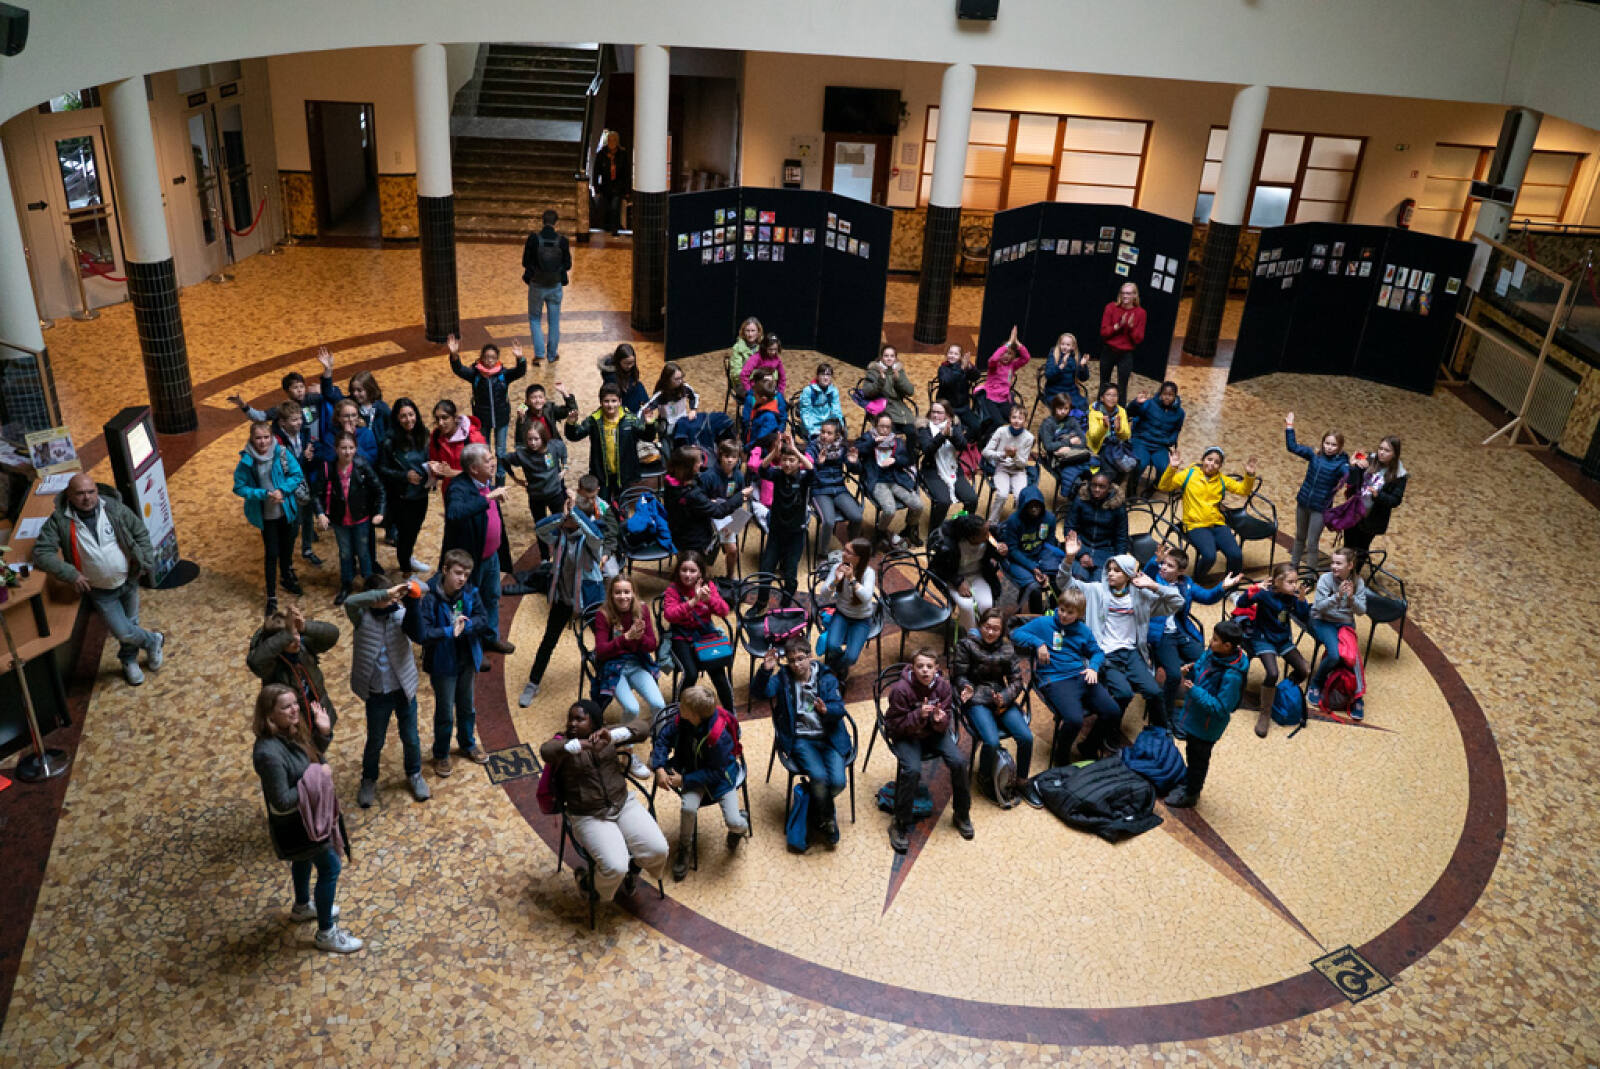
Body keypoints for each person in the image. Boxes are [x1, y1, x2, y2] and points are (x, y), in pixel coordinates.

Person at [250, 684, 362, 953]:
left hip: (309, 820)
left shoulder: (290, 731)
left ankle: (302, 906)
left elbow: (310, 758)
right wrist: (317, 778)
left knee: (302, 861)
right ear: (269, 715)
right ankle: (326, 934)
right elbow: (282, 799)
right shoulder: (267, 754)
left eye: (295, 704)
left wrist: (323, 733)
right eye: (286, 707)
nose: (294, 710)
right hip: (300, 826)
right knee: (330, 868)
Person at [33, 474, 164, 686]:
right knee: (122, 631)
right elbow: (41, 552)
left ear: (97, 490)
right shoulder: (59, 520)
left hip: (129, 580)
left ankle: (129, 660)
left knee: (131, 624)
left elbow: (140, 532)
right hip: (100, 590)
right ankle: (153, 640)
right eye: (80, 493)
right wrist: (70, 574)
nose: (87, 498)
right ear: (69, 495)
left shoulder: (114, 509)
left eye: (91, 491)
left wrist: (145, 561)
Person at [540, 700, 668, 903]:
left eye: (579, 719)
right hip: (589, 815)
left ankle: (633, 871)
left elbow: (643, 728)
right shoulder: (563, 746)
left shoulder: (606, 733)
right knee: (615, 867)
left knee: (658, 850)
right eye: (570, 719)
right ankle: (588, 885)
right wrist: (581, 745)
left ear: (594, 722)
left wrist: (613, 736)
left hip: (623, 804)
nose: (572, 723)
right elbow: (546, 751)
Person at [1057, 538, 1182, 729]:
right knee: (1123, 694)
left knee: (1154, 692)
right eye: (1109, 569)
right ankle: (1106, 734)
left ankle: (1160, 735)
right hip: (1106, 654)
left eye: (1117, 571)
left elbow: (1177, 602)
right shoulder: (1096, 591)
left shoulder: (1141, 596)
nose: (1110, 573)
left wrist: (1154, 586)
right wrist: (1069, 558)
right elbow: (1064, 583)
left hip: (1131, 653)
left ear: (1128, 575)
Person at [754, 637, 851, 846]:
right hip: (801, 739)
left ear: (810, 656)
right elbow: (760, 693)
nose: (796, 664)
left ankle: (812, 801)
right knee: (819, 777)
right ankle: (827, 819)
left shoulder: (826, 678)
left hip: (829, 737)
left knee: (838, 782)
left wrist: (827, 711)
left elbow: (840, 709)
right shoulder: (783, 678)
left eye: (800, 658)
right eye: (791, 661)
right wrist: (765, 670)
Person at [1011, 587, 1123, 763]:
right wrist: (1038, 643)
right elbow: (1015, 633)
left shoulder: (1083, 630)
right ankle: (1061, 756)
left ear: (1079, 614)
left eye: (1070, 613)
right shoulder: (1044, 623)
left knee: (1113, 711)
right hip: (1054, 678)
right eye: (1062, 609)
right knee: (1074, 720)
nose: (1063, 615)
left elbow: (1097, 652)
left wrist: (1093, 667)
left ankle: (1089, 746)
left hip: (1080, 674)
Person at [650, 685, 749, 880]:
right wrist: (659, 766)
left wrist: (684, 780)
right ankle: (684, 849)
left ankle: (740, 827)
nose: (678, 707)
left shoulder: (718, 736)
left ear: (695, 715)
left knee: (733, 821)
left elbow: (717, 772)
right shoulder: (682, 719)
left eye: (683, 706)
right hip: (691, 770)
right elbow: (663, 738)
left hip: (719, 778)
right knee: (688, 808)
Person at [345, 577, 429, 807]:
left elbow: (426, 588)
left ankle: (414, 774)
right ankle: (368, 779)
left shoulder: (401, 614)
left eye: (390, 596)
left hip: (403, 690)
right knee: (375, 740)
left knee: (411, 738)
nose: (389, 601)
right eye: (383, 597)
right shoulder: (360, 616)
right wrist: (384, 594)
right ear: (372, 598)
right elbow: (350, 601)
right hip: (377, 693)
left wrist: (407, 588)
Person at [884, 650, 972, 853]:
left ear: (936, 669)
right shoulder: (900, 689)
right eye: (920, 666)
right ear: (913, 668)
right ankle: (899, 823)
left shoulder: (943, 687)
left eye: (929, 667)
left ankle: (961, 814)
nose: (925, 670)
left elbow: (946, 719)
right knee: (912, 770)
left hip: (933, 733)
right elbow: (894, 726)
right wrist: (918, 715)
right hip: (907, 735)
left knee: (959, 762)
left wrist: (939, 720)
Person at [522, 496, 608, 706]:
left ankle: (611, 678)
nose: (566, 519)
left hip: (589, 598)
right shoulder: (560, 535)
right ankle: (533, 683)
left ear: (581, 520)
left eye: (571, 517)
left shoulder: (591, 539)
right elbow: (540, 529)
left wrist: (576, 515)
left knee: (604, 640)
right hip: (564, 598)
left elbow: (596, 536)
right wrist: (563, 516)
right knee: (548, 641)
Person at [415, 549, 492, 776]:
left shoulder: (470, 592)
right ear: (445, 570)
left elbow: (483, 619)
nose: (462, 579)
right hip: (442, 665)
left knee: (467, 707)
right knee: (445, 712)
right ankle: (441, 753)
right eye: (458, 573)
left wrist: (466, 626)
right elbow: (424, 633)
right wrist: (450, 631)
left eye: (466, 575)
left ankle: (467, 743)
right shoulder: (430, 598)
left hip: (466, 660)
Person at [953, 608, 1039, 806]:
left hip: (1000, 698)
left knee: (1026, 737)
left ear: (1001, 631)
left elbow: (1017, 680)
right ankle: (984, 778)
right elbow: (959, 675)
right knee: (991, 741)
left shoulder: (1008, 648)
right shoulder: (966, 645)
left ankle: (1022, 780)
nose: (990, 632)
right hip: (976, 698)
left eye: (995, 629)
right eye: (987, 627)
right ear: (980, 625)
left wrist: (1005, 697)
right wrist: (966, 687)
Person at [1143, 545, 1235, 722]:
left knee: (1205, 660)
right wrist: (1156, 561)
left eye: (1170, 566)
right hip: (1161, 635)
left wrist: (1222, 587)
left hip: (1180, 631)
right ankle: (1165, 715)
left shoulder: (1186, 583)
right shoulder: (1154, 579)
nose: (1164, 567)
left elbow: (1207, 597)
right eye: (1164, 563)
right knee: (1173, 674)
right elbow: (1146, 575)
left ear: (1181, 572)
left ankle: (1195, 698)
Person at [1163, 619, 1250, 809]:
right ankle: (1189, 783)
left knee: (1199, 761)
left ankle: (1191, 794)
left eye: (1216, 640)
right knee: (1192, 754)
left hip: (1207, 727)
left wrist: (1195, 691)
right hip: (1195, 718)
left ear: (1227, 646)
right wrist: (1190, 670)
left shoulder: (1232, 675)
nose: (1211, 642)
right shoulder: (1213, 653)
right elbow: (1201, 666)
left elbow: (1221, 708)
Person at [439, 442, 515, 656]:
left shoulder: (485, 481)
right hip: (470, 561)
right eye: (488, 460)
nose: (493, 463)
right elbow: (454, 513)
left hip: (491, 556)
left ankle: (490, 638)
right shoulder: (458, 487)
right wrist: (488, 498)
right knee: (467, 605)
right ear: (473, 468)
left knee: (491, 598)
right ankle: (472, 651)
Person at [233, 418, 307, 615]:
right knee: (272, 553)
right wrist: (263, 494)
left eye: (266, 437)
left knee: (288, 547)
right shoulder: (247, 461)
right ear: (252, 439)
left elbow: (297, 475)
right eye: (258, 438)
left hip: (286, 511)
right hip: (267, 516)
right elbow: (239, 487)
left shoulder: (281, 453)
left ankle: (286, 576)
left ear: (272, 437)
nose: (263, 442)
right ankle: (271, 596)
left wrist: (282, 491)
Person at [1231, 562, 1311, 737]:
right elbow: (1242, 603)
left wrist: (1301, 599)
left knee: (1304, 669)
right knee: (1273, 673)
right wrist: (1254, 589)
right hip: (1263, 639)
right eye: (1290, 582)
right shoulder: (1265, 594)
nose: (1294, 585)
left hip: (1283, 640)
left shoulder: (1292, 596)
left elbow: (1304, 616)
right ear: (1277, 581)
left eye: (1295, 581)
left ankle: (1279, 691)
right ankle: (1265, 713)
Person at [246, 605, 339, 752]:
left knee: (318, 754)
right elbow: (255, 662)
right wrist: (286, 634)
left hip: (318, 718)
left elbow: (333, 634)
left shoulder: (304, 647)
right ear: (278, 643)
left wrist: (305, 627)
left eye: (297, 634)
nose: (297, 640)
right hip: (293, 726)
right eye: (289, 639)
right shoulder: (271, 665)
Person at [1156, 447, 1259, 580]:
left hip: (1217, 524)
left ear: (1220, 466)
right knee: (1209, 556)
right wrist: (1172, 468)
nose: (1212, 464)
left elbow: (1243, 490)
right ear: (1203, 459)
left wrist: (1249, 475)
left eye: (1216, 462)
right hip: (1195, 525)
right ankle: (1195, 581)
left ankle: (1231, 584)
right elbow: (1164, 486)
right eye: (1209, 459)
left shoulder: (1222, 479)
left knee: (1236, 555)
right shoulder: (1189, 474)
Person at [313, 431, 385, 606]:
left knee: (364, 552)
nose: (347, 452)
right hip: (340, 520)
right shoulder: (328, 468)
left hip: (361, 518)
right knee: (345, 553)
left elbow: (380, 490)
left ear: (356, 448)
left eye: (351, 448)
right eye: (343, 448)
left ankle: (369, 583)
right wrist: (321, 513)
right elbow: (315, 494)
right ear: (336, 449)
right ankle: (346, 583)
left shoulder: (362, 465)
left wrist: (380, 512)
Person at [661, 552, 737, 712]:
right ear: (678, 571)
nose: (688, 575)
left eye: (692, 571)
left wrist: (709, 600)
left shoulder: (708, 586)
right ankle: (677, 711)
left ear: (700, 573)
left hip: (704, 635)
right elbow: (670, 615)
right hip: (681, 637)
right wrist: (693, 602)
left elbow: (724, 610)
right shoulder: (673, 590)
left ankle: (732, 716)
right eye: (684, 570)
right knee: (691, 674)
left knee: (719, 676)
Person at [591, 574, 667, 728]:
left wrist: (639, 637)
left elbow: (652, 645)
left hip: (637, 663)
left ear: (633, 593)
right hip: (613, 666)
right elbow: (601, 651)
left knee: (659, 705)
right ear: (611, 595)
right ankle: (625, 740)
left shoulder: (642, 609)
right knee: (632, 709)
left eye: (627, 592)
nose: (623, 597)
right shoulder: (603, 614)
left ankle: (660, 738)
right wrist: (625, 638)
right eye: (618, 592)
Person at [1283, 412, 1350, 576]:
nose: (1329, 447)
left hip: (1320, 509)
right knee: (1299, 537)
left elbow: (1350, 477)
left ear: (1339, 447)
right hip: (1303, 502)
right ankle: (1293, 566)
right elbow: (1293, 447)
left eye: (1333, 445)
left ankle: (1310, 574)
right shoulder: (1315, 455)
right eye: (1327, 443)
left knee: (1312, 543)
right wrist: (1289, 427)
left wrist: (1354, 466)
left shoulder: (1341, 464)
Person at [753, 431, 815, 610]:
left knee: (790, 574)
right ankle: (761, 602)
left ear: (798, 462)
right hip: (776, 532)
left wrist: (795, 450)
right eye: (784, 460)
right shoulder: (777, 474)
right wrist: (775, 452)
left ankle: (786, 603)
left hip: (796, 534)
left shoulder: (803, 477)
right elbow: (762, 469)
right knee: (766, 570)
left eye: (792, 460)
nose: (787, 463)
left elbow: (812, 471)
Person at [566, 382, 656, 502]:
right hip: (602, 476)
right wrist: (571, 423)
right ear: (600, 402)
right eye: (606, 401)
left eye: (614, 401)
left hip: (625, 475)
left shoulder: (630, 419)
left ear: (620, 401)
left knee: (624, 505)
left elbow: (648, 437)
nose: (610, 405)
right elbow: (575, 435)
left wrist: (650, 423)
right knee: (603, 507)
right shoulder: (594, 420)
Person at [1306, 547, 1369, 717]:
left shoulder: (1358, 582)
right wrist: (1337, 596)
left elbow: (1361, 611)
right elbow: (1319, 607)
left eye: (1338, 563)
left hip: (1344, 624)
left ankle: (1357, 697)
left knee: (1353, 656)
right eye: (1333, 562)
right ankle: (1317, 682)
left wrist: (1351, 598)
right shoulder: (1325, 580)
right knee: (1334, 655)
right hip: (1323, 621)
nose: (1334, 566)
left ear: (1350, 565)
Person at [448, 334, 528, 468]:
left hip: (501, 418)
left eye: (493, 357)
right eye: (486, 357)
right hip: (482, 419)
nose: (489, 360)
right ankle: (487, 477)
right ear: (481, 358)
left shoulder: (503, 374)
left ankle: (501, 475)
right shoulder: (475, 374)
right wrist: (454, 355)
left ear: (497, 359)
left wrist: (520, 358)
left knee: (501, 450)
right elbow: (459, 369)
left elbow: (519, 372)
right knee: (485, 450)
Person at [664, 445, 752, 565]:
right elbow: (719, 511)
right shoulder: (694, 492)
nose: (701, 463)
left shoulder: (672, 482)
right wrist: (741, 495)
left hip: (680, 533)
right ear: (690, 467)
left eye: (734, 457)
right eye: (698, 461)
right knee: (693, 567)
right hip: (693, 540)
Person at [377, 397, 434, 577]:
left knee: (414, 530)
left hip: (421, 493)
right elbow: (382, 469)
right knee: (404, 535)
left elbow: (429, 456)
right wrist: (404, 476)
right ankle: (406, 571)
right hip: (402, 497)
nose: (408, 419)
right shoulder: (389, 441)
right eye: (403, 416)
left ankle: (408, 558)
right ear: (396, 418)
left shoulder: (423, 434)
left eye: (411, 414)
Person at [504, 421, 569, 559]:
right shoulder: (521, 455)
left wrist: (565, 467)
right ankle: (545, 558)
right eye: (529, 439)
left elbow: (563, 449)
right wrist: (515, 478)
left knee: (562, 524)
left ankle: (562, 554)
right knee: (540, 528)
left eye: (536, 439)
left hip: (555, 495)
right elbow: (504, 460)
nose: (533, 443)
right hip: (536, 497)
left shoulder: (554, 446)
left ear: (543, 438)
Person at [815, 537, 877, 682]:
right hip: (841, 614)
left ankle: (835, 667)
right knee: (832, 646)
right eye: (845, 550)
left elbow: (866, 597)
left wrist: (851, 579)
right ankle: (837, 667)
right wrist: (836, 580)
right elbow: (823, 595)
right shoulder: (838, 567)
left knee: (851, 657)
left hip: (862, 620)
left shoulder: (868, 573)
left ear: (859, 558)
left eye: (848, 552)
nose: (843, 553)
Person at [857, 413, 923, 548]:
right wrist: (873, 442)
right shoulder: (868, 437)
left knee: (918, 505)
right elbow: (857, 450)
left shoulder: (896, 441)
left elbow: (908, 460)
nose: (884, 430)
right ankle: (880, 533)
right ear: (876, 425)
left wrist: (895, 460)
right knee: (889, 510)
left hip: (896, 479)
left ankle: (909, 530)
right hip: (878, 481)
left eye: (888, 427)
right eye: (881, 426)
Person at [928, 512, 1003, 631]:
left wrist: (1000, 553)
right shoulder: (948, 546)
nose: (988, 535)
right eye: (984, 533)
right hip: (953, 576)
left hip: (978, 574)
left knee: (987, 605)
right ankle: (972, 635)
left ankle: (985, 632)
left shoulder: (990, 537)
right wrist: (958, 582)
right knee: (966, 607)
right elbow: (938, 568)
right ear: (972, 537)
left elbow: (995, 557)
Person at [271, 400, 323, 568]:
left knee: (308, 519)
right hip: (290, 488)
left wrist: (312, 454)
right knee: (293, 525)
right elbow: (287, 468)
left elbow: (312, 454)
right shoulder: (277, 441)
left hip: (306, 482)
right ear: (283, 422)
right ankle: (286, 560)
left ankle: (307, 550)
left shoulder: (304, 432)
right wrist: (303, 457)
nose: (299, 422)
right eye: (294, 420)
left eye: (300, 418)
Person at [1340, 436, 1407, 563]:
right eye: (1380, 448)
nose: (1381, 452)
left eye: (1387, 450)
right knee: (1348, 546)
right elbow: (1350, 480)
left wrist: (1378, 495)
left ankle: (1355, 573)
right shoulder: (1369, 459)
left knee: (1361, 549)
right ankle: (1343, 570)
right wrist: (1353, 466)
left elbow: (1395, 500)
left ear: (1395, 454)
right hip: (1354, 511)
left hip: (1372, 519)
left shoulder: (1400, 475)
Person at [997, 486, 1064, 613]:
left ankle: (1053, 612)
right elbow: (1013, 550)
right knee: (1034, 588)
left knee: (1055, 581)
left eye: (1037, 506)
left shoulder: (1049, 518)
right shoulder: (1014, 521)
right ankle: (1036, 616)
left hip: (1041, 555)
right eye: (1030, 506)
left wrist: (1045, 569)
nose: (1034, 509)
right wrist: (1033, 568)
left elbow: (1049, 545)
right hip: (1019, 560)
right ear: (1023, 506)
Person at [916, 401, 978, 533]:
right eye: (933, 412)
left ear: (948, 416)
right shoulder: (924, 429)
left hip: (953, 469)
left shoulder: (954, 427)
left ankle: (959, 523)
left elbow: (962, 445)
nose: (935, 415)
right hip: (932, 471)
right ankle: (935, 532)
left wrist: (951, 434)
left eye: (939, 413)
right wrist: (942, 436)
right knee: (943, 502)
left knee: (972, 500)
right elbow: (927, 450)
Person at [1058, 470, 1129, 580]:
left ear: (1109, 489)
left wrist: (1118, 563)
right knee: (1077, 581)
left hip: (1105, 552)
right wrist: (1082, 553)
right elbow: (1070, 528)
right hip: (1081, 546)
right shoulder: (1080, 500)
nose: (1097, 489)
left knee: (1098, 585)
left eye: (1102, 487)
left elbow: (1122, 537)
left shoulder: (1118, 506)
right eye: (1094, 485)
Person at [807, 419, 863, 557]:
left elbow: (856, 470)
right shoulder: (812, 448)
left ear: (837, 436)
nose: (824, 435)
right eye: (822, 432)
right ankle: (823, 553)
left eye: (829, 433)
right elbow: (807, 474)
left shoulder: (842, 448)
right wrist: (818, 464)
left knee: (857, 517)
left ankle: (851, 546)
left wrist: (854, 462)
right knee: (828, 521)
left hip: (839, 488)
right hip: (820, 490)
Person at [522, 208, 571, 364]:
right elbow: (568, 265)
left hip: (537, 285)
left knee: (534, 318)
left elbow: (525, 262)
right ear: (556, 222)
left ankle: (539, 354)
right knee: (554, 322)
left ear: (542, 221)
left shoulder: (533, 239)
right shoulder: (562, 241)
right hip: (555, 285)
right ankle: (552, 355)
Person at [702, 440, 756, 578]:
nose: (730, 460)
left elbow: (740, 501)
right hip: (709, 519)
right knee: (707, 555)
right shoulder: (708, 476)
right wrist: (710, 502)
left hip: (728, 519)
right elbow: (701, 501)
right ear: (720, 456)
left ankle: (730, 577)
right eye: (727, 456)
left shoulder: (738, 476)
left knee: (732, 550)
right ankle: (704, 578)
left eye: (734, 457)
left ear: (738, 458)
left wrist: (733, 524)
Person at [1126, 381, 1186, 497]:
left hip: (1160, 445)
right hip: (1142, 441)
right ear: (1160, 394)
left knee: (1165, 469)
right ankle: (1131, 490)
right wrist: (1136, 403)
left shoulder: (1180, 413)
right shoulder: (1149, 404)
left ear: (1175, 396)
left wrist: (1170, 440)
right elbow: (1130, 412)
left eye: (1170, 395)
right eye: (1165, 394)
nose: (1167, 397)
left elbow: (1176, 429)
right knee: (1140, 464)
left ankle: (1154, 487)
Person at [982, 406, 1035, 523]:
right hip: (1002, 468)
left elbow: (1022, 464)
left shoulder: (1029, 437)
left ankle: (1018, 523)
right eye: (1014, 417)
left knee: (1020, 496)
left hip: (1018, 470)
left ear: (1025, 421)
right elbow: (985, 452)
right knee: (1002, 494)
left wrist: (1014, 456)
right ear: (1010, 418)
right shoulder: (1001, 431)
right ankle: (992, 523)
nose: (1017, 421)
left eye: (1020, 418)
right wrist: (1003, 454)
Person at [426, 398, 487, 498]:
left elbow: (484, 471)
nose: (440, 423)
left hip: (474, 494)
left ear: (454, 417)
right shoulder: (436, 437)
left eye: (444, 417)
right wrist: (435, 469)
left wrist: (453, 473)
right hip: (451, 493)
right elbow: (435, 462)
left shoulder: (473, 438)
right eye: (437, 419)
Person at [978, 325, 1030, 437]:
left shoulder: (1012, 366)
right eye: (1004, 353)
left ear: (1013, 355)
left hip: (1004, 399)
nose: (1006, 356)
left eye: (1010, 353)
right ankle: (983, 439)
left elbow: (1026, 358)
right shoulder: (994, 365)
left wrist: (1017, 343)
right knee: (998, 422)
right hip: (991, 399)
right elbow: (993, 358)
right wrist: (1008, 344)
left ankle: (1011, 439)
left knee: (1017, 417)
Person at [1037, 393, 1092, 500]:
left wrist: (1068, 447)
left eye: (1066, 408)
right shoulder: (1048, 423)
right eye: (1060, 408)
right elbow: (1049, 446)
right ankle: (1076, 502)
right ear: (1054, 407)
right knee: (1076, 482)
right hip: (1057, 459)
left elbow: (1083, 441)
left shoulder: (1072, 421)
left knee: (1093, 477)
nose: (1063, 411)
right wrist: (1070, 441)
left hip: (1076, 455)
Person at [1098, 281, 1146, 401]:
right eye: (1123, 293)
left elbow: (1138, 339)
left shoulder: (1140, 313)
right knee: (1104, 383)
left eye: (1128, 293)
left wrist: (1130, 328)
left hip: (1125, 354)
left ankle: (1120, 410)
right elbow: (1104, 333)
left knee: (1122, 387)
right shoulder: (1111, 307)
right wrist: (1118, 326)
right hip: (1109, 351)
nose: (1125, 296)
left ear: (1135, 295)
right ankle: (1099, 408)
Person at [862, 345, 916, 441]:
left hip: (899, 410)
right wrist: (880, 381)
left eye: (892, 356)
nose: (889, 358)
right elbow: (867, 392)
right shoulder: (874, 371)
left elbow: (910, 391)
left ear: (895, 358)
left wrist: (898, 379)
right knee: (890, 436)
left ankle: (908, 452)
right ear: (881, 357)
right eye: (886, 356)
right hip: (882, 411)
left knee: (912, 432)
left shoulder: (898, 371)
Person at [1041, 332, 1092, 420]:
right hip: (1055, 391)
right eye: (1063, 344)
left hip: (1071, 391)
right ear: (1059, 344)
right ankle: (1064, 425)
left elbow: (1083, 378)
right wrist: (1061, 366)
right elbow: (1049, 375)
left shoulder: (1076, 356)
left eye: (1068, 345)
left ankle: (1075, 425)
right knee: (1063, 406)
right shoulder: (1054, 353)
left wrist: (1082, 366)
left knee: (1081, 405)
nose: (1065, 347)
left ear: (1073, 347)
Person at [934, 344, 983, 435]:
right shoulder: (943, 368)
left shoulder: (964, 366)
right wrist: (961, 369)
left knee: (977, 427)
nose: (952, 356)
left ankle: (965, 442)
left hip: (963, 408)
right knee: (955, 430)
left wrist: (969, 367)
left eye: (956, 354)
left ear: (960, 356)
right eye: (950, 353)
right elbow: (947, 381)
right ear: (947, 354)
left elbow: (976, 376)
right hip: (948, 409)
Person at [1086, 383, 1133, 477]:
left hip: (1115, 446)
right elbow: (1094, 437)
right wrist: (1103, 427)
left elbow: (1127, 436)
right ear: (1102, 398)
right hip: (1099, 446)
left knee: (1131, 463)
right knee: (1109, 469)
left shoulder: (1121, 411)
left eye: (1115, 395)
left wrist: (1119, 429)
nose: (1112, 398)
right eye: (1108, 395)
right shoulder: (1094, 412)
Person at [514, 381, 578, 447]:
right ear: (527, 401)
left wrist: (564, 392)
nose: (538, 401)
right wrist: (521, 421)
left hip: (552, 449)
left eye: (540, 397)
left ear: (544, 400)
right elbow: (520, 442)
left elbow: (572, 411)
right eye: (533, 398)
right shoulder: (524, 416)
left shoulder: (550, 409)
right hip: (534, 451)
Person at [642, 362, 700, 434]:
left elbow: (694, 397)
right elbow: (644, 410)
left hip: (683, 423)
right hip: (666, 428)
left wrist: (693, 410)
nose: (680, 381)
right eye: (676, 379)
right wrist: (646, 420)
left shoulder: (685, 387)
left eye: (681, 377)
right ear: (667, 380)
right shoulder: (660, 395)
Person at [591, 132, 630, 235]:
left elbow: (626, 173)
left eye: (613, 140)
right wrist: (596, 188)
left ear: (617, 142)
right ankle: (607, 227)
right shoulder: (601, 154)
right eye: (609, 140)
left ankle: (614, 229)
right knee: (606, 208)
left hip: (618, 186)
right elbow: (596, 172)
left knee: (615, 207)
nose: (611, 142)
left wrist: (627, 190)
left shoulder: (622, 154)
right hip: (605, 186)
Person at [796, 363, 844, 439]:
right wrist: (812, 431)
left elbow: (837, 410)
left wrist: (840, 426)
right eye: (822, 374)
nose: (825, 378)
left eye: (828, 375)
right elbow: (805, 413)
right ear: (817, 376)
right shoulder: (808, 391)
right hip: (812, 425)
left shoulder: (833, 391)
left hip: (827, 425)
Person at [600, 343, 650, 413]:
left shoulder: (631, 370)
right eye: (626, 363)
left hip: (633, 409)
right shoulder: (611, 378)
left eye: (632, 362)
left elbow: (636, 384)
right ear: (618, 361)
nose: (630, 366)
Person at [727, 316, 763, 399]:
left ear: (758, 332)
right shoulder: (737, 348)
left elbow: (772, 366)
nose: (750, 334)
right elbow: (736, 373)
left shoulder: (763, 346)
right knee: (757, 397)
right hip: (742, 384)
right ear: (743, 332)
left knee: (774, 394)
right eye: (747, 331)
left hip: (761, 383)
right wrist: (757, 376)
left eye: (753, 331)